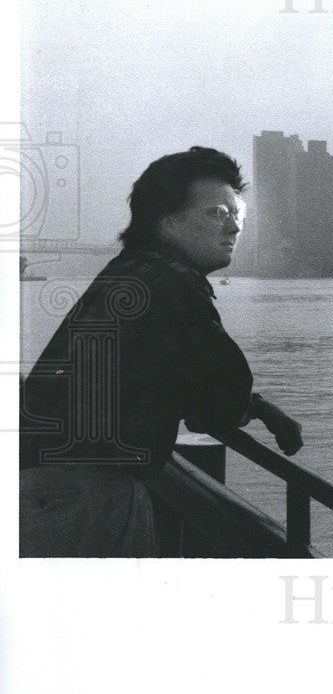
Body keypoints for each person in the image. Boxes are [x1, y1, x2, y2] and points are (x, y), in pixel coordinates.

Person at [20, 146, 303, 557]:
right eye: (215, 214)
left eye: (236, 214)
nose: (234, 228)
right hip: (89, 497)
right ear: (166, 221)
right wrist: (251, 406)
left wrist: (253, 405)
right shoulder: (171, 284)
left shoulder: (130, 272)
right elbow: (219, 401)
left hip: (47, 483)